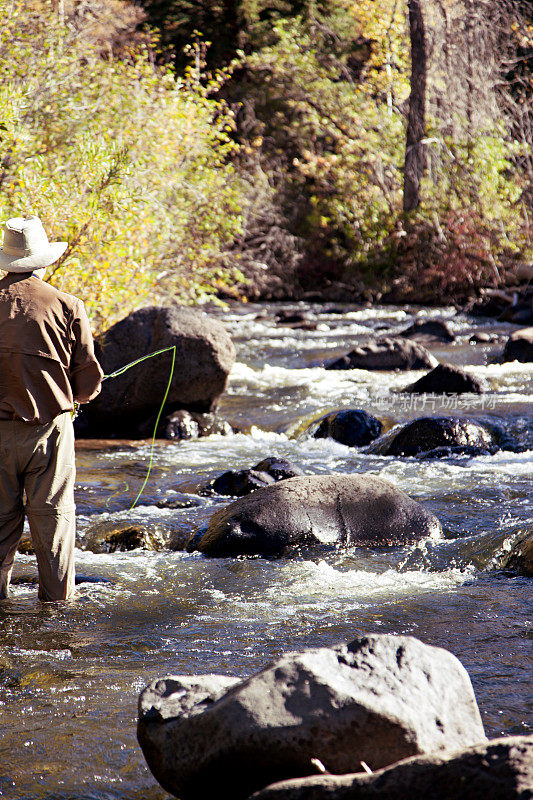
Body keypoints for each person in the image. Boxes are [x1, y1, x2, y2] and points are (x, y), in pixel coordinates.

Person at [0, 215, 103, 601]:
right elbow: (88, 383)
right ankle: (56, 618)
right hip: (49, 435)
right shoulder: (68, 305)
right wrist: (78, 396)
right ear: (43, 262)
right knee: (54, 526)